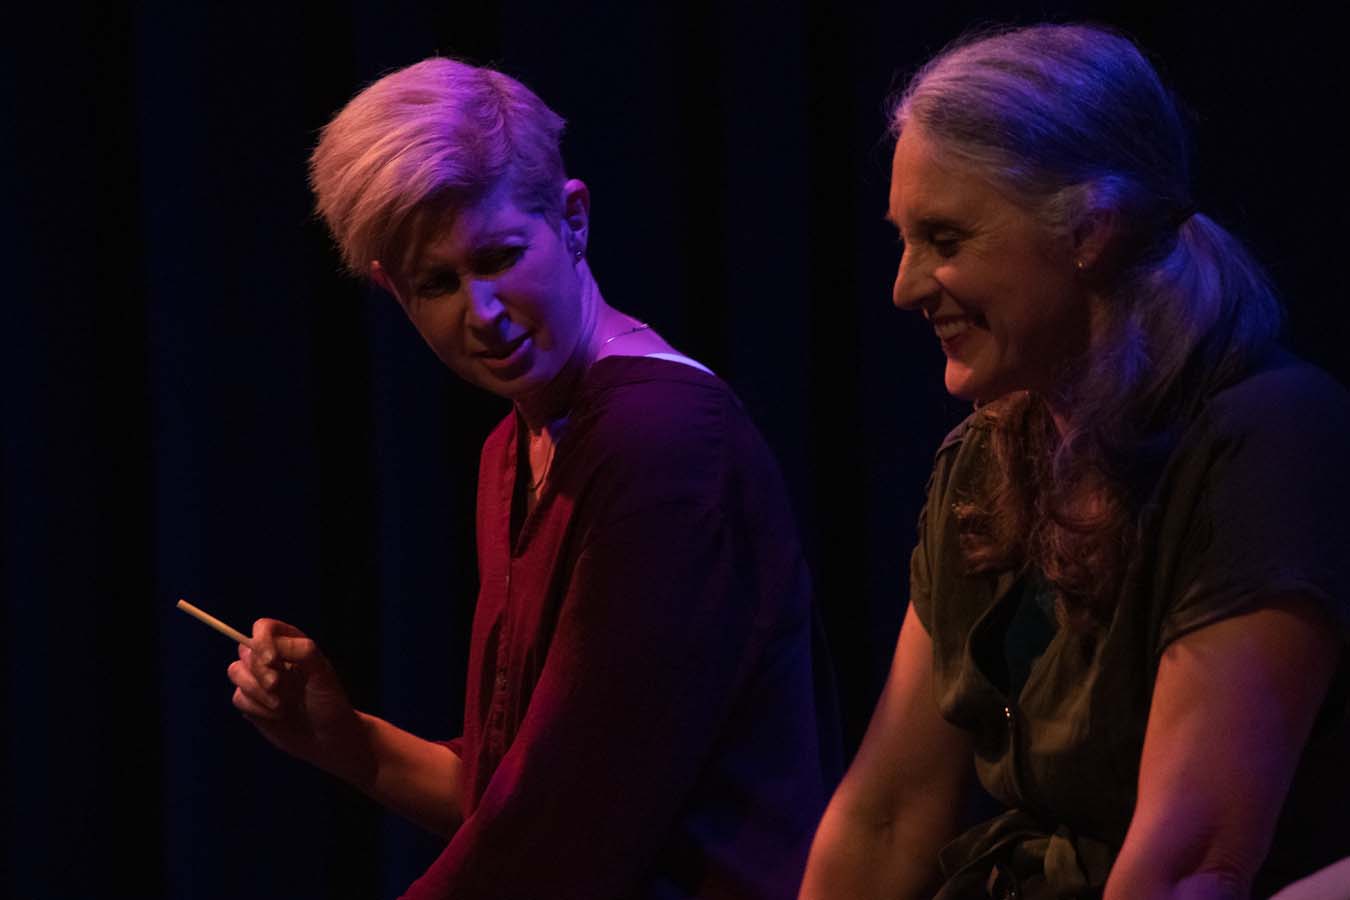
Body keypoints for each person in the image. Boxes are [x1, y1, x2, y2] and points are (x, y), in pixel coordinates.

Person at [226, 57, 832, 899]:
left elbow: (563, 830)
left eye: (500, 256)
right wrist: (349, 743)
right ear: (393, 292)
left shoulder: (659, 438)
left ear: (573, 219)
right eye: (438, 283)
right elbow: (516, 798)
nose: (481, 311)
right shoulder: (514, 450)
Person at [799, 23, 1350, 900]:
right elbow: (888, 816)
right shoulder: (986, 460)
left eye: (945, 239)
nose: (904, 287)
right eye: (903, 239)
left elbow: (1188, 868)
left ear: (1091, 230)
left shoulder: (1267, 443)